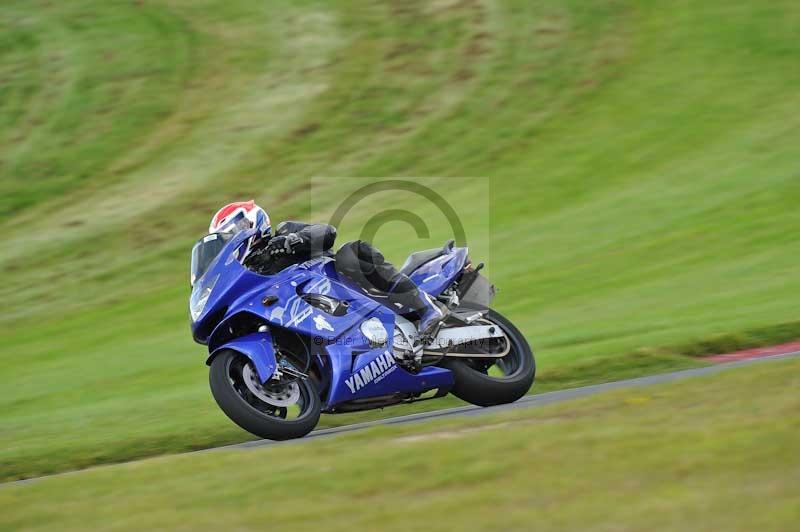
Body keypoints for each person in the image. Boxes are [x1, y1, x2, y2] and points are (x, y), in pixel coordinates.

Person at [208, 201, 448, 338]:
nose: (235, 238)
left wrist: (294, 241)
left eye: (237, 229)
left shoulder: (283, 232)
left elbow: (327, 232)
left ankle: (426, 308)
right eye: (227, 236)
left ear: (253, 222)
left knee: (351, 253)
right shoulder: (249, 269)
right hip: (311, 313)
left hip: (340, 288)